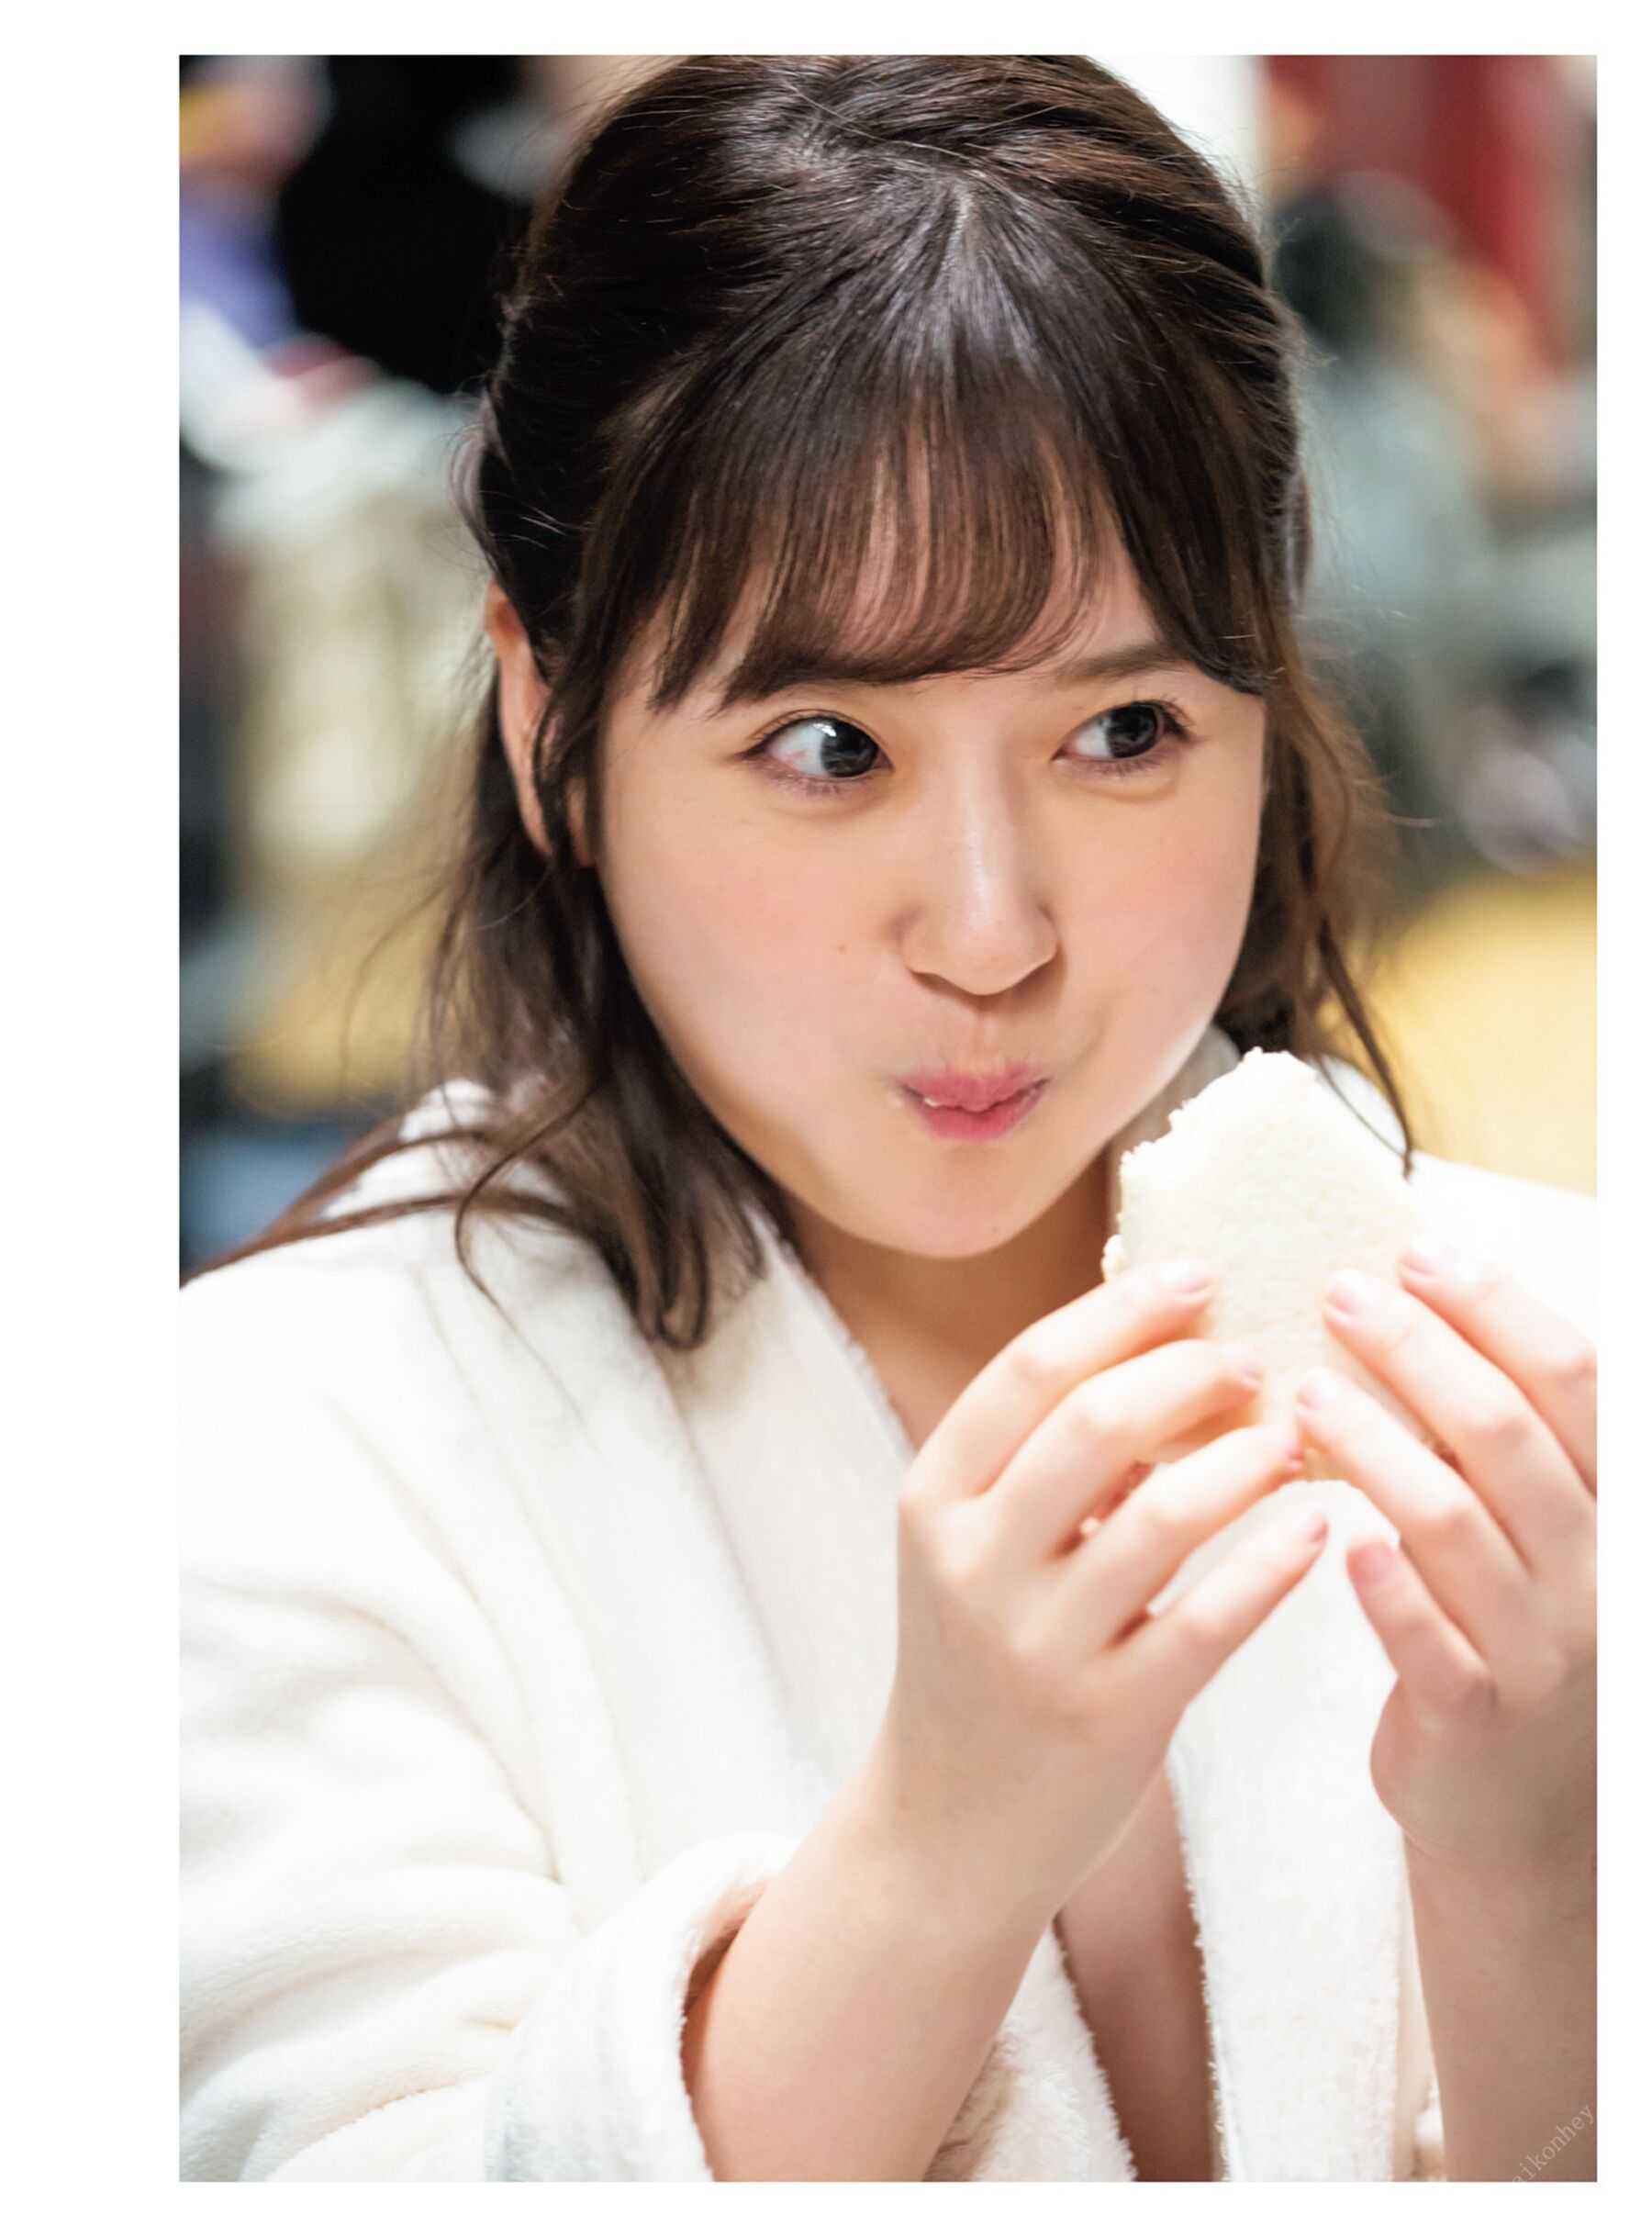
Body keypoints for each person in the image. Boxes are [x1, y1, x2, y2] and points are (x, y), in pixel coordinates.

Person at [180, 56, 1596, 2182]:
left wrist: (1541, 1852)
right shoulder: (266, 1464)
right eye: (831, 747)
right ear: (551, 720)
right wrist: (939, 1852)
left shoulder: (1561, 1376)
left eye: (1127, 728)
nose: (993, 931)